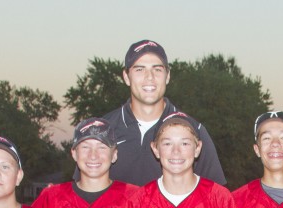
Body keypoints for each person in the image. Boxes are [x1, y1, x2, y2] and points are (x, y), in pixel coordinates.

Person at [95, 39, 225, 187]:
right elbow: (84, 192)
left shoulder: (194, 130)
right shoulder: (102, 130)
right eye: (139, 69)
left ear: (167, 76)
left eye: (157, 69)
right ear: (126, 77)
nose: (149, 77)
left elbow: (215, 197)